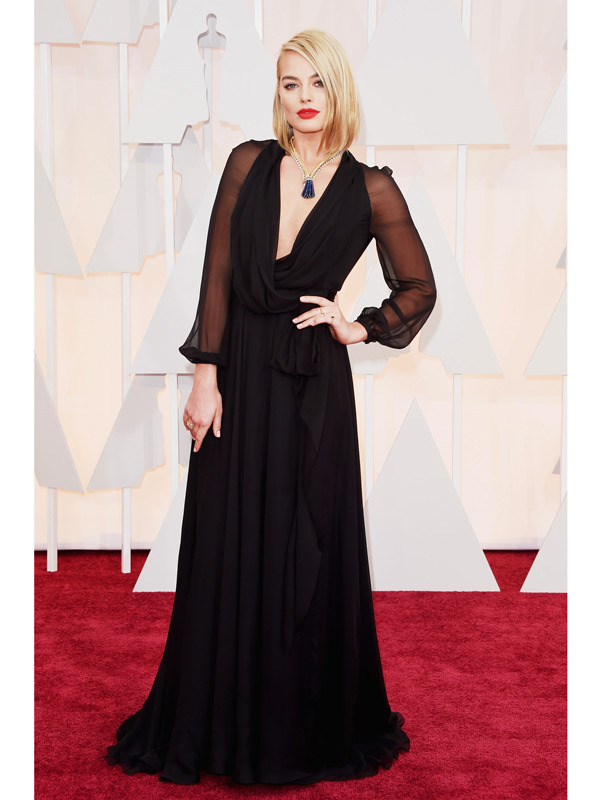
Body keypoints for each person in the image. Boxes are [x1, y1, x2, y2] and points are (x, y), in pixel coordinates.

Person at [105, 28, 437, 786]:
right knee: (227, 541)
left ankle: (298, 727)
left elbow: (419, 289)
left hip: (313, 390)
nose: (304, 97)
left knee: (304, 550)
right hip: (240, 380)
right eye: (291, 83)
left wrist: (360, 325)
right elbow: (217, 272)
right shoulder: (248, 163)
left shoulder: (371, 188)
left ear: (338, 90)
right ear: (278, 94)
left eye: (317, 82)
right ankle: (219, 722)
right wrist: (205, 375)